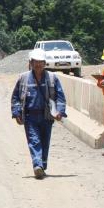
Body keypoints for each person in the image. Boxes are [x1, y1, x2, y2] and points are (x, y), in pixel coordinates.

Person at [11, 49, 67, 179]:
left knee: (44, 141)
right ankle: (37, 166)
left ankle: (42, 165)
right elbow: (15, 97)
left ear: (45, 63)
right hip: (30, 116)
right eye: (35, 62)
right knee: (34, 141)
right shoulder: (23, 78)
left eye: (41, 62)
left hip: (47, 116)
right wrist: (17, 112)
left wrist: (60, 111)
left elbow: (60, 96)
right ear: (30, 63)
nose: (38, 65)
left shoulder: (52, 78)